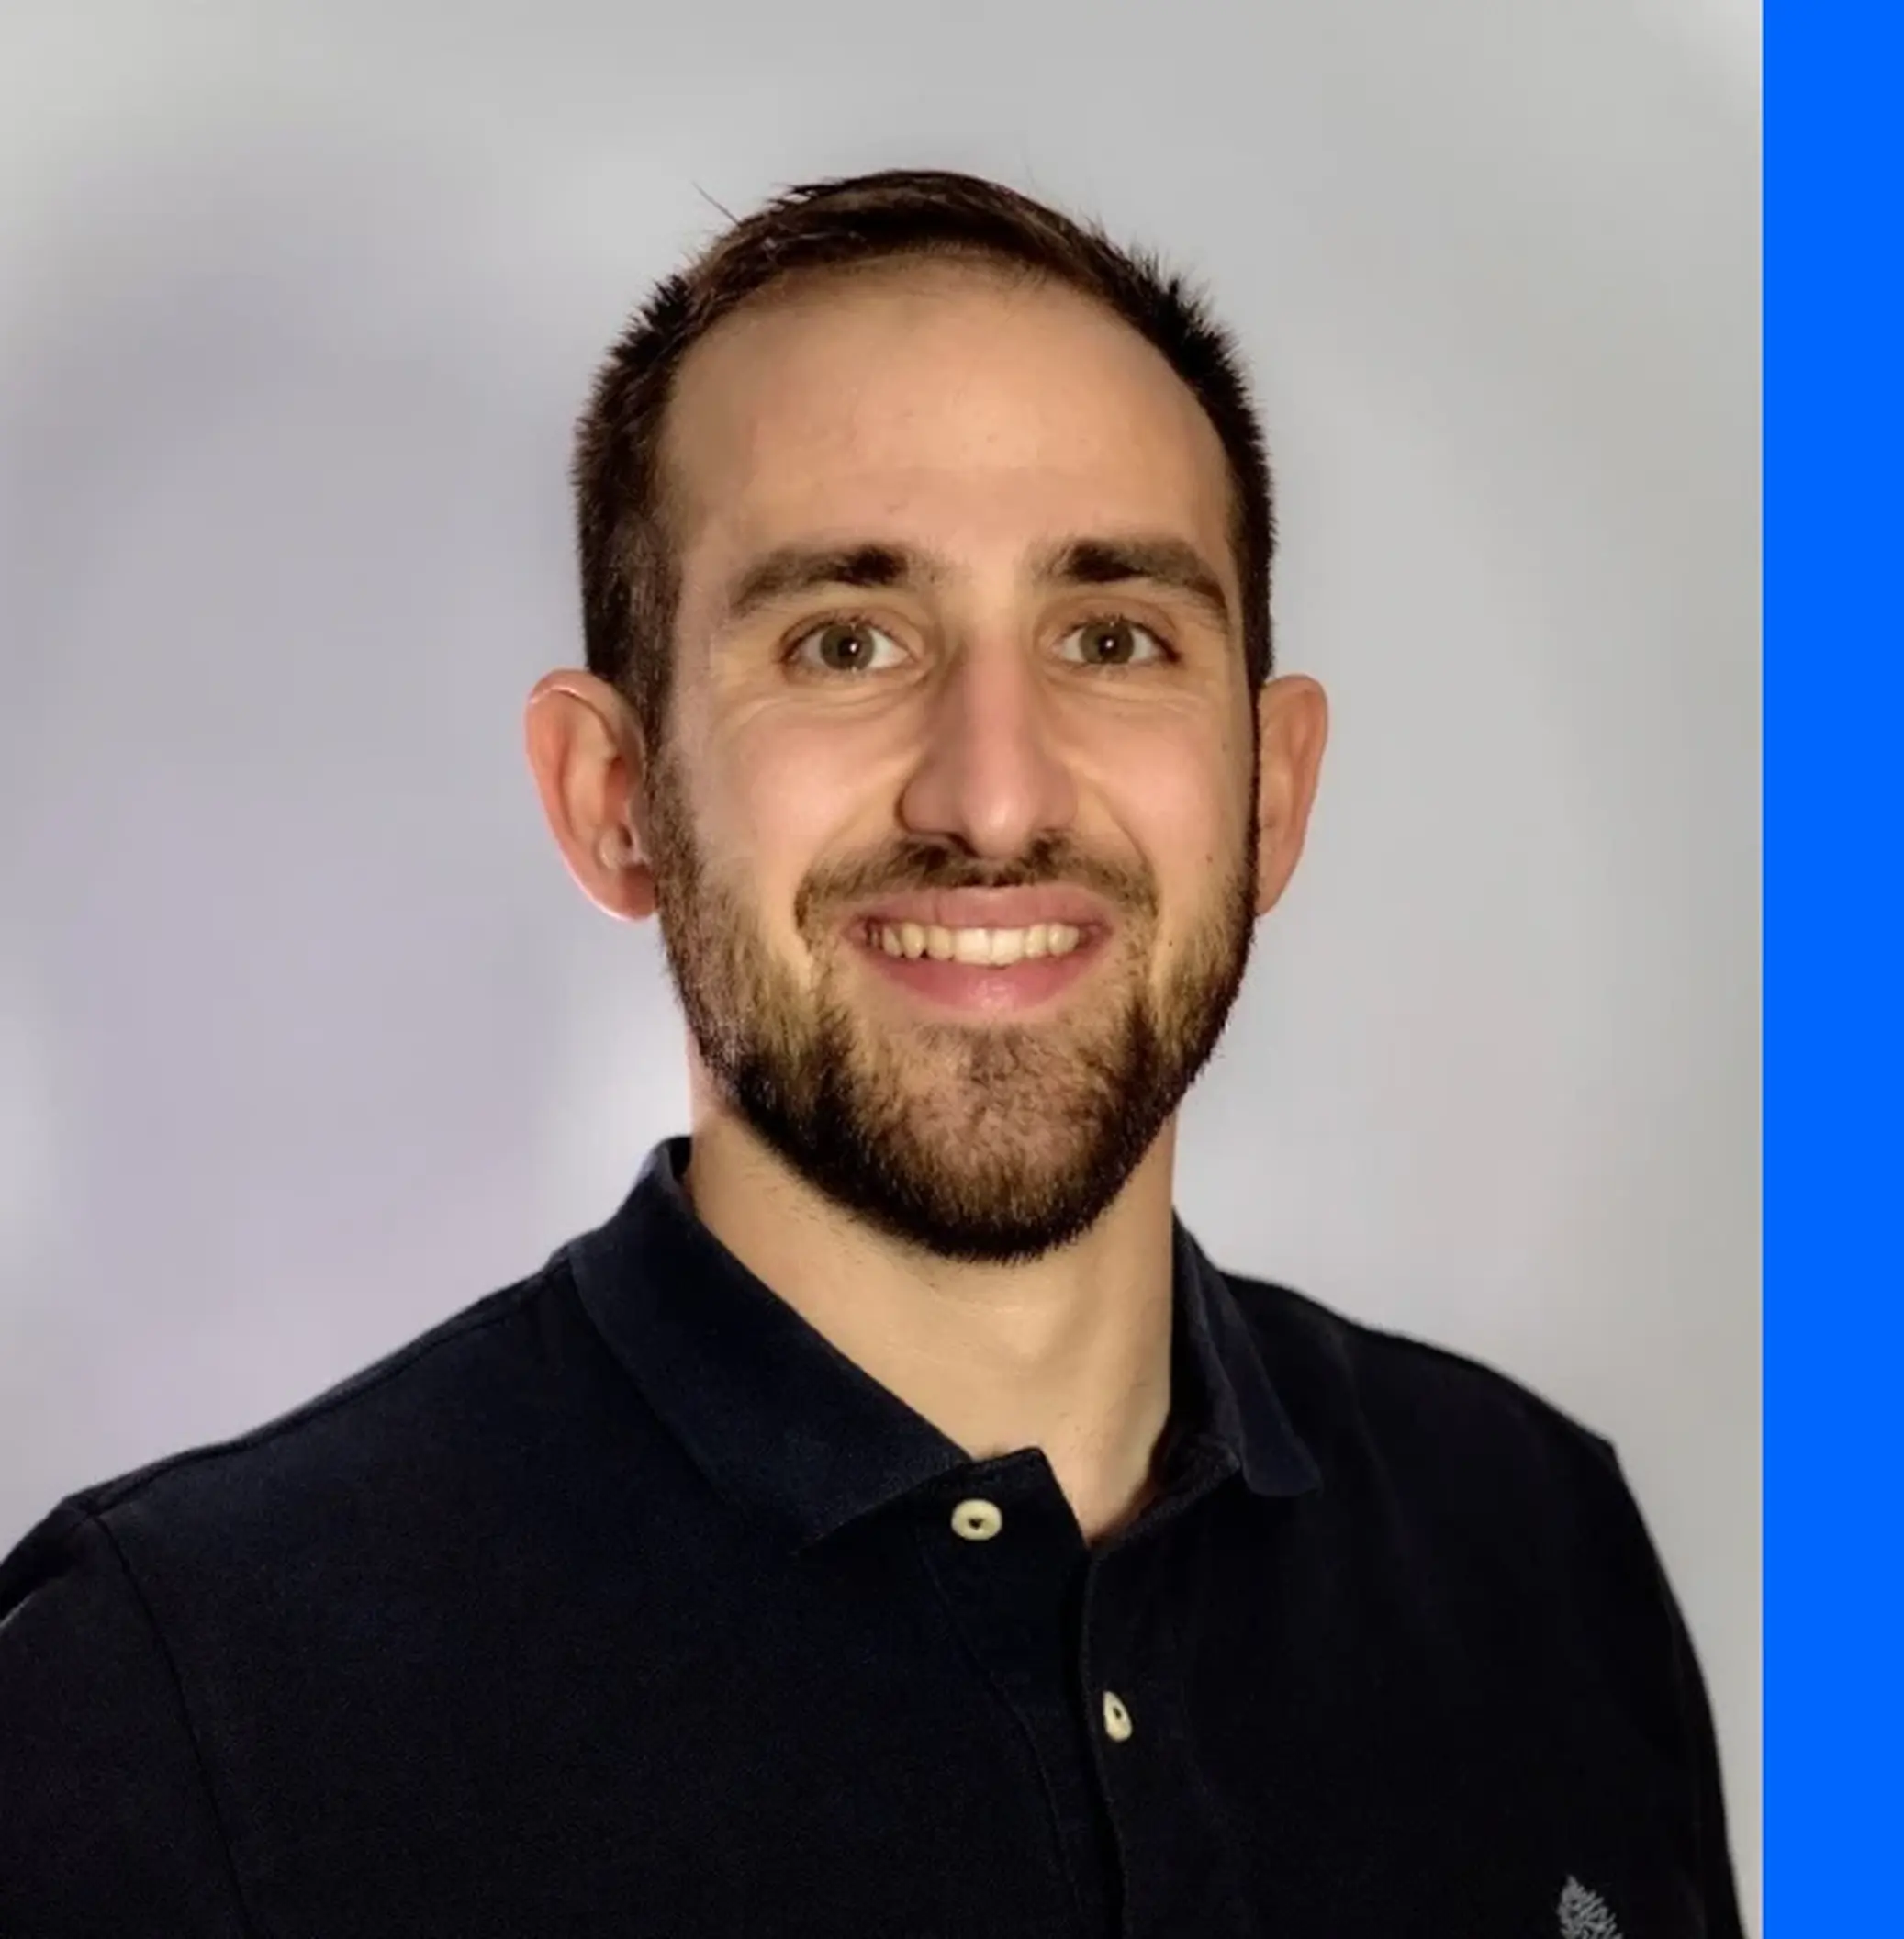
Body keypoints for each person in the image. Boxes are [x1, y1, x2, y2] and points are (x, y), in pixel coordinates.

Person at [0, 169, 1741, 1939]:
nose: (993, 793)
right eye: (846, 640)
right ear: (618, 805)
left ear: (1273, 795)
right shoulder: (172, 1695)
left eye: (1113, 638)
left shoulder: (1536, 1546)